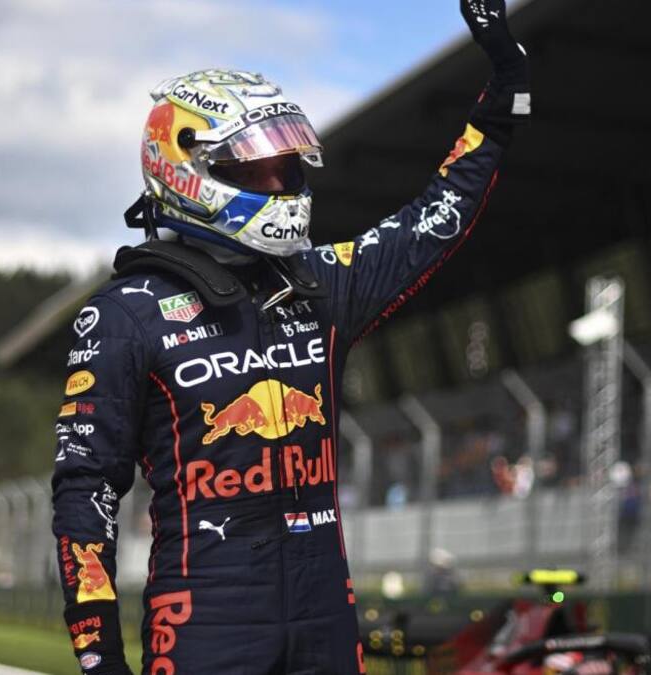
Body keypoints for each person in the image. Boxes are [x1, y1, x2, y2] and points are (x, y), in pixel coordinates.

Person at [50, 1, 530, 673]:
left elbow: (434, 219)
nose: (279, 184)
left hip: (326, 616)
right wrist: (99, 656)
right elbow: (85, 492)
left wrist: (507, 92)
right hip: (206, 621)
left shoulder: (321, 282)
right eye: (253, 169)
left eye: (286, 165)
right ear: (185, 170)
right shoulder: (124, 314)